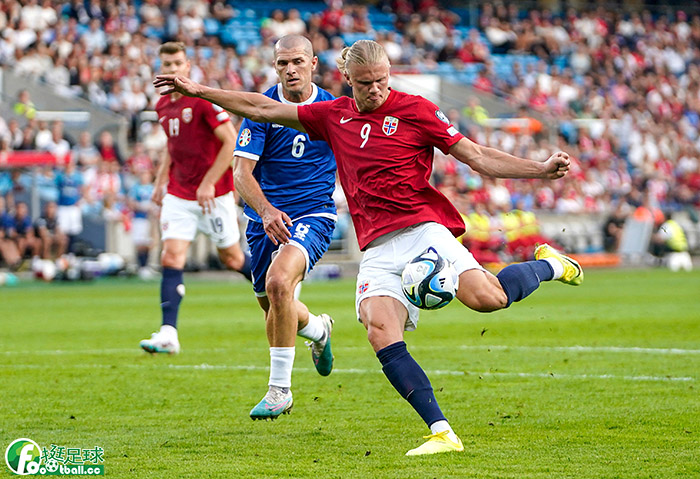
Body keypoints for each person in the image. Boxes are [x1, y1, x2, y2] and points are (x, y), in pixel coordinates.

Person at [154, 39, 583, 456]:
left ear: (389, 74)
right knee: (379, 330)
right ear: (346, 79)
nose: (374, 89)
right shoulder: (332, 115)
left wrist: (541, 170)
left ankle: (549, 264)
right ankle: (441, 431)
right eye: (364, 83)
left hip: (422, 230)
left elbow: (477, 156)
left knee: (489, 299)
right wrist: (200, 90)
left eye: (380, 80)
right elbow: (264, 107)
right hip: (376, 247)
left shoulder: (417, 110)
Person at [232, 35, 337, 420]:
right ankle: (319, 330)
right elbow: (241, 172)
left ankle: (280, 391)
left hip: (314, 215)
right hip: (266, 219)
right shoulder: (262, 109)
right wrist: (265, 210)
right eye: (281, 63)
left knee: (279, 284)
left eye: (296, 61)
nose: (289, 69)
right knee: (273, 304)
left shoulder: (332, 110)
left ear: (313, 64)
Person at [140, 42, 252, 355]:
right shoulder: (163, 104)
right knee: (171, 256)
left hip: (213, 194)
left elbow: (231, 142)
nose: (172, 69)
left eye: (177, 63)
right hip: (179, 193)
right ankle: (168, 333)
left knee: (233, 259)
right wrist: (162, 179)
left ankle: (278, 284)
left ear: (187, 66)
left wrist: (208, 182)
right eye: (167, 64)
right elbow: (172, 145)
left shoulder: (202, 100)